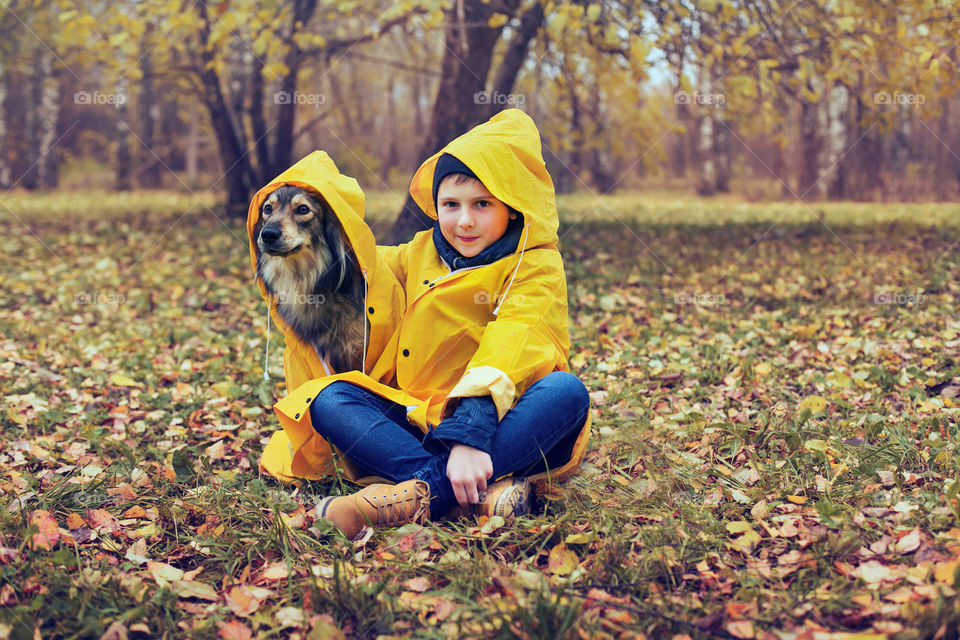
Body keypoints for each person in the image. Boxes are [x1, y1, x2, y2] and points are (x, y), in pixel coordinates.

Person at [265, 109, 591, 538]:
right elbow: (362, 264)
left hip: (502, 421)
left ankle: (397, 501)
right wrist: (311, 222)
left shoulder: (535, 266)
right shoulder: (419, 252)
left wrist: (470, 435)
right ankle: (484, 495)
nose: (465, 221)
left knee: (566, 392)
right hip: (417, 420)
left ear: (511, 209)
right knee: (328, 399)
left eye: (482, 205)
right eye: (451, 205)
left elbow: (514, 340)